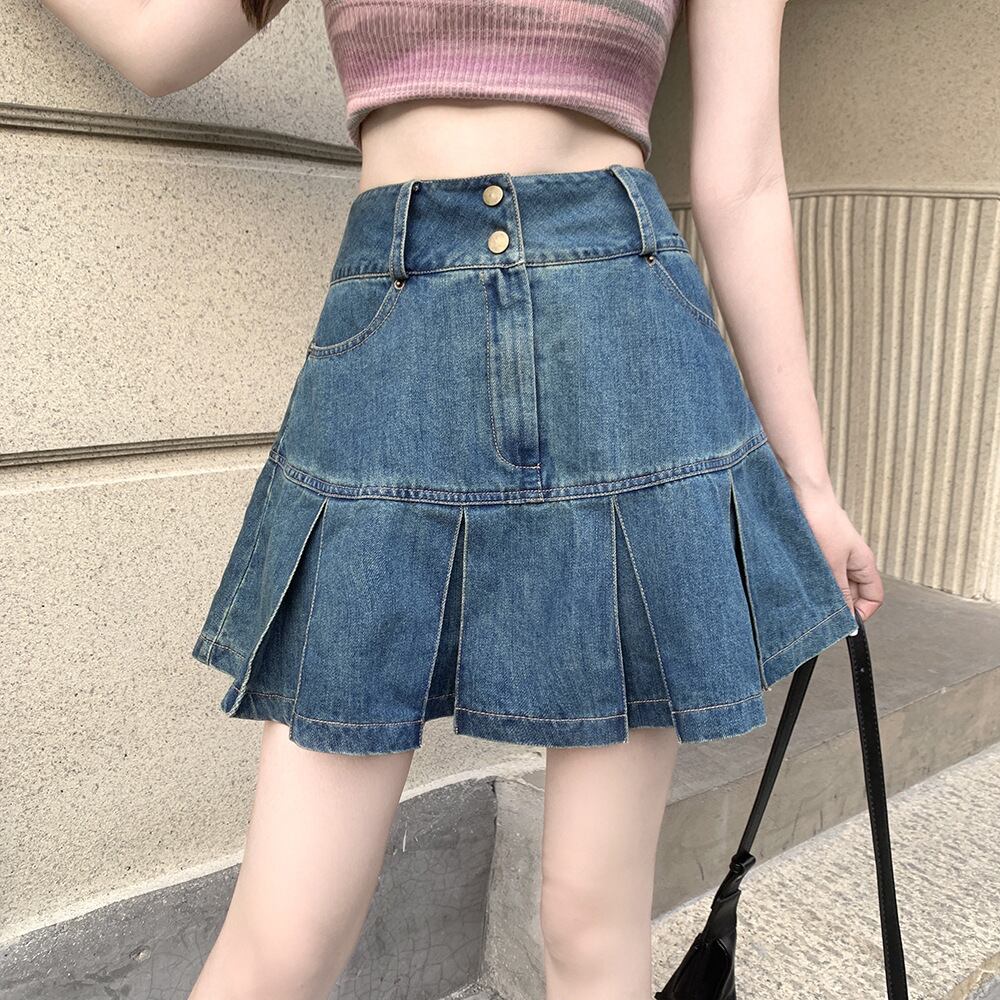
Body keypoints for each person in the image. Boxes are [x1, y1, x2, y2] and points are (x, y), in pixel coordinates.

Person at [41, 0, 884, 996]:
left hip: (624, 345)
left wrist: (810, 485)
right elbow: (156, 42)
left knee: (592, 921)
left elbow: (743, 176)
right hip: (394, 338)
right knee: (285, 932)